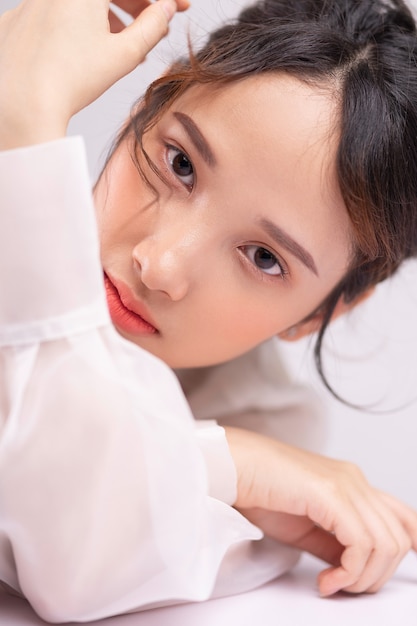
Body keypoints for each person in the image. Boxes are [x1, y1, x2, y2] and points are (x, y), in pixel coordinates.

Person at [1, 0, 417, 621]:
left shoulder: (266, 428)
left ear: (323, 313)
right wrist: (23, 120)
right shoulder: (264, 465)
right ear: (147, 108)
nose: (161, 265)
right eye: (180, 163)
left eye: (264, 257)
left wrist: (231, 462)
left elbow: (72, 561)